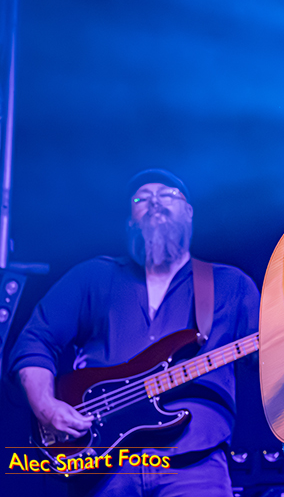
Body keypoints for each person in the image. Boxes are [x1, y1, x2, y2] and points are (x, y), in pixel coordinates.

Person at [10, 168, 260, 497]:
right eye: (142, 199)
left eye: (168, 195)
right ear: (130, 221)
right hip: (102, 468)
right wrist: (45, 405)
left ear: (189, 212)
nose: (155, 202)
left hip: (195, 467)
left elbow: (271, 362)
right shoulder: (92, 277)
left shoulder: (231, 284)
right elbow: (35, 340)